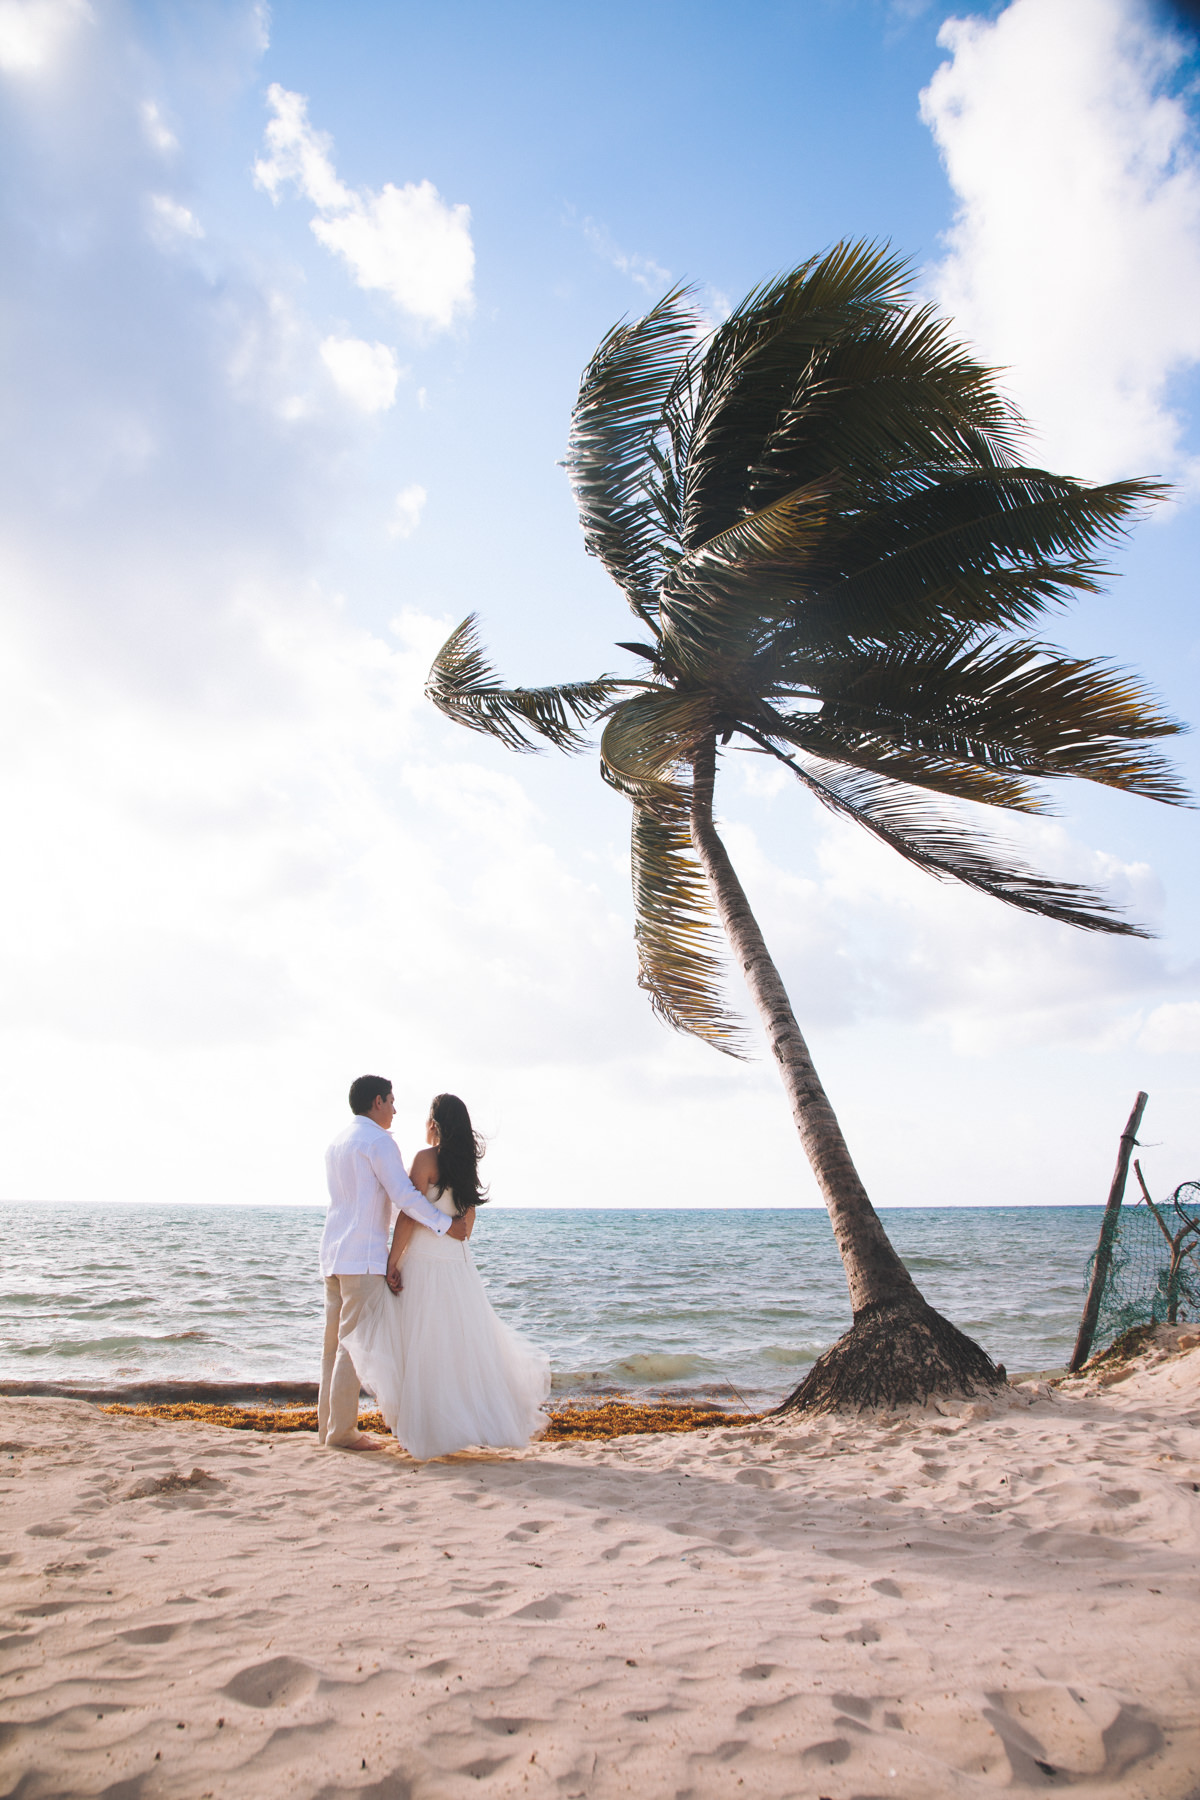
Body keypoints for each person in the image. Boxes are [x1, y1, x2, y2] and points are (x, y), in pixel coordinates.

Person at [343, 1092, 550, 1460]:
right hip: (457, 1266)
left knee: (420, 1347)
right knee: (455, 1347)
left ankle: (426, 1430)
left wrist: (393, 1260)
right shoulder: (466, 1166)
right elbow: (465, 1228)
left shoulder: (426, 1159)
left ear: (434, 1124)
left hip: (423, 1262)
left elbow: (408, 1214)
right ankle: (462, 1425)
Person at [319, 1074, 470, 1450]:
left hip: (333, 1254)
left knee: (332, 1345)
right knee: (351, 1346)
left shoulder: (338, 1142)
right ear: (377, 1102)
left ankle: (327, 1428)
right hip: (363, 1257)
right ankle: (341, 1433)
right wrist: (443, 1224)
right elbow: (404, 1196)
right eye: (391, 1101)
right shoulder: (378, 1142)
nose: (395, 1109)